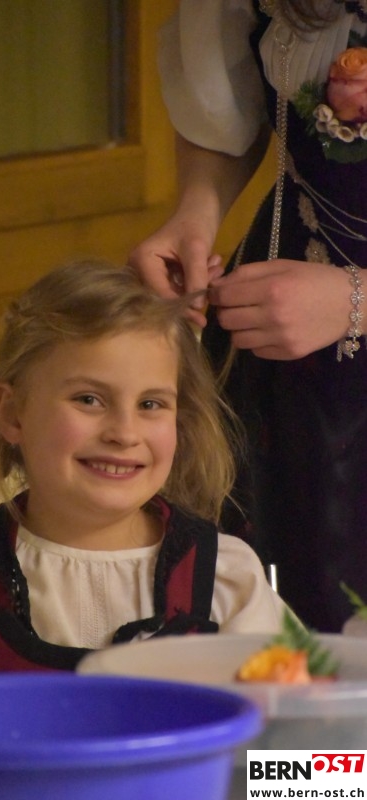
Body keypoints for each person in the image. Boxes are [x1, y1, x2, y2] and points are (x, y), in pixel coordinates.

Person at [0, 259, 285, 687]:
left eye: (150, 404)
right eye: (89, 399)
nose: (124, 433)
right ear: (12, 413)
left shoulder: (228, 581)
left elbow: (299, 735)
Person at [128, 0, 367, 633]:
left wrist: (356, 299)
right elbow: (226, 114)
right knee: (274, 634)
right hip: (284, 361)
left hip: (318, 316)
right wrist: (196, 213)